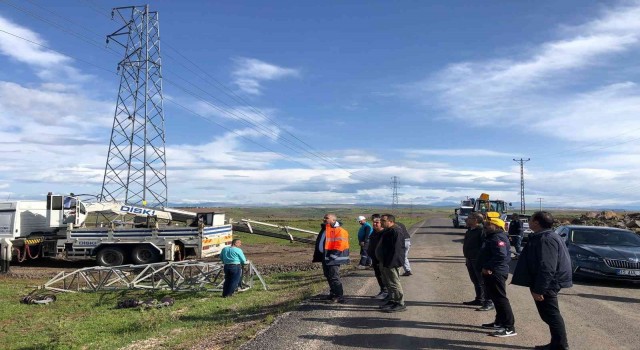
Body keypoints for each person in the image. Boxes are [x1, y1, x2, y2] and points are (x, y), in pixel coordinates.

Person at [512, 211, 572, 350]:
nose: (528, 222)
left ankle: (561, 346)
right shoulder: (544, 236)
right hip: (547, 282)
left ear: (536, 223)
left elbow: (547, 267)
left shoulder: (546, 239)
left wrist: (539, 289)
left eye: (531, 220)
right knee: (548, 315)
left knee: (551, 315)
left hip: (549, 283)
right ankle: (556, 344)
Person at [478, 215, 517, 337]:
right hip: (493, 272)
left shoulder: (497, 237)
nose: (485, 226)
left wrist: (488, 267)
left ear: (496, 226)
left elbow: (500, 256)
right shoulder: (492, 236)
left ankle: (509, 327)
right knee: (496, 299)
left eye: (488, 224)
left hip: (496, 272)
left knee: (501, 299)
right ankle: (499, 322)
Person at [312, 213, 350, 304]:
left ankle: (339, 296)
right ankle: (333, 294)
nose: (324, 219)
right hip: (325, 257)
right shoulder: (325, 229)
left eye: (327, 218)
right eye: (324, 217)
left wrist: (332, 256)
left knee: (334, 277)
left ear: (333, 220)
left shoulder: (340, 230)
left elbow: (340, 245)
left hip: (333, 258)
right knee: (328, 276)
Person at [462, 212, 494, 311]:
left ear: (476, 220)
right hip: (470, 259)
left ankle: (489, 302)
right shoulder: (470, 230)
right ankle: (479, 299)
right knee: (475, 280)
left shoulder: (481, 231)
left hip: (478, 260)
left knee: (483, 281)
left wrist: (483, 262)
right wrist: (467, 258)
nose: (466, 219)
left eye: (469, 218)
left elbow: (485, 248)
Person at [376, 214, 407, 313]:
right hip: (385, 261)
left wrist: (391, 262)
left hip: (391, 262)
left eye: (383, 220)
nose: (381, 222)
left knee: (394, 283)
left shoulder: (396, 231)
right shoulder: (387, 231)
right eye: (381, 220)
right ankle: (393, 300)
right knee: (388, 282)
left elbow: (397, 250)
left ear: (391, 221)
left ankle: (400, 303)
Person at [367, 214, 387, 299]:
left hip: (382, 260)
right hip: (374, 259)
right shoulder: (374, 233)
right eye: (373, 222)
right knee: (378, 275)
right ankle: (383, 291)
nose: (374, 224)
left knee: (384, 276)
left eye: (377, 222)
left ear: (381, 223)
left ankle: (386, 292)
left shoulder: (385, 233)